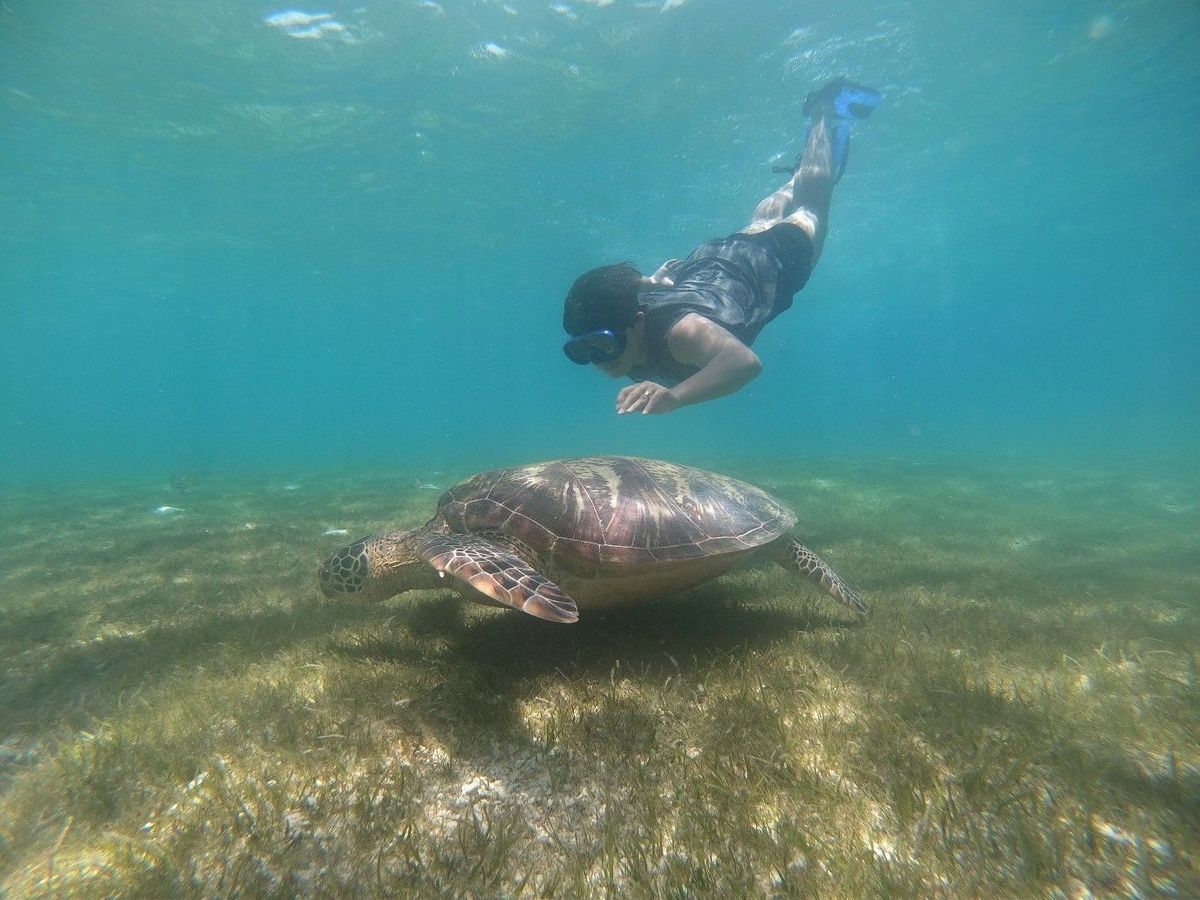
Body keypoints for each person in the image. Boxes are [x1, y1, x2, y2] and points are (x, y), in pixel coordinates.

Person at [562, 77, 882, 415]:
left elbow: (744, 363)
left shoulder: (680, 333)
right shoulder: (626, 311)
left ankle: (822, 110)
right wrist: (652, 283)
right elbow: (609, 285)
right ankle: (798, 172)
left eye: (603, 345)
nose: (598, 361)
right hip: (711, 262)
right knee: (761, 221)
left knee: (812, 205)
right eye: (583, 351)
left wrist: (676, 397)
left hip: (767, 266)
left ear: (638, 320)